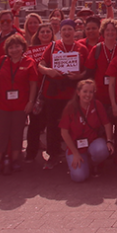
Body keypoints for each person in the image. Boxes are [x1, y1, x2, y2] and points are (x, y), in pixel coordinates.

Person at [37, 20, 88, 170]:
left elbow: (88, 70)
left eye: (70, 30)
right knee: (53, 125)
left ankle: (75, 153)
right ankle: (53, 154)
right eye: (64, 29)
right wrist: (48, 71)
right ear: (60, 30)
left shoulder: (81, 48)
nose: (67, 32)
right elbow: (40, 65)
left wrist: (79, 76)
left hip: (72, 93)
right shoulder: (53, 46)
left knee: (74, 125)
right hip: (54, 93)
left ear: (74, 31)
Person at [0, 34, 40, 175]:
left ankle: (16, 160)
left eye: (17, 46)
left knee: (17, 133)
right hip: (1, 104)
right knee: (1, 133)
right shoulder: (2, 61)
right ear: (7, 49)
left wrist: (30, 102)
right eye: (11, 47)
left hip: (20, 104)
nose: (14, 49)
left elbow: (33, 84)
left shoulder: (29, 62)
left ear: (23, 47)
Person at [59, 79, 114, 183]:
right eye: (85, 91)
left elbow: (107, 123)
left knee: (102, 150)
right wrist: (75, 153)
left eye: (91, 92)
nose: (88, 95)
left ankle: (93, 164)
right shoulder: (71, 107)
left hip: (93, 141)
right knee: (79, 177)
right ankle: (80, 163)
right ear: (78, 92)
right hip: (76, 146)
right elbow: (64, 132)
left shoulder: (97, 105)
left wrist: (109, 140)